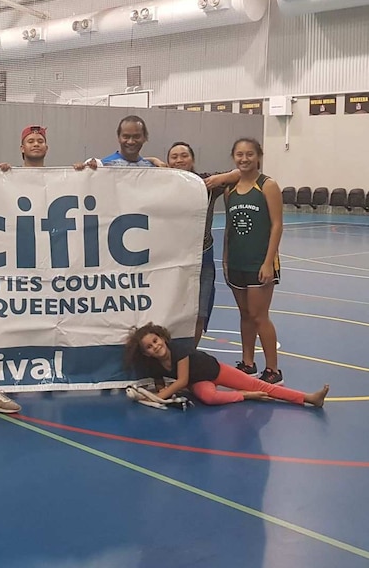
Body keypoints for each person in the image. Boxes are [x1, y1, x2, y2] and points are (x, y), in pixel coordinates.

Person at [124, 322, 328, 407]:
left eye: (155, 341)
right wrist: (157, 395)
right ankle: (245, 395)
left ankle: (309, 398)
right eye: (149, 347)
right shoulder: (153, 365)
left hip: (214, 370)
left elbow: (182, 380)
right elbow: (162, 386)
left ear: (163, 338)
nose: (155, 347)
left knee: (262, 386)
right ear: (145, 354)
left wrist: (158, 397)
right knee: (209, 398)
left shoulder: (179, 350)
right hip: (198, 382)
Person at [163, 142, 240, 346]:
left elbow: (240, 172)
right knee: (170, 311)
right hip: (173, 259)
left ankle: (190, 356)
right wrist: (155, 162)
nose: (179, 160)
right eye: (174, 157)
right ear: (168, 162)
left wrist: (219, 179)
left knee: (200, 311)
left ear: (193, 159)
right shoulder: (161, 184)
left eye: (184, 155)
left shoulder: (205, 184)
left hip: (203, 256)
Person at [223, 138, 285, 384]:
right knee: (245, 314)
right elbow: (229, 228)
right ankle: (247, 363)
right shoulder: (230, 190)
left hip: (260, 263)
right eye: (239, 154)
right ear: (233, 157)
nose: (244, 159)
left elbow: (277, 225)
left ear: (258, 156)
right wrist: (226, 260)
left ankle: (273, 370)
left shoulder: (267, 185)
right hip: (237, 262)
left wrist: (269, 262)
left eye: (249, 154)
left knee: (260, 316)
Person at [73, 115, 155, 170]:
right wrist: (82, 171)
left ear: (145, 138)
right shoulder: (103, 165)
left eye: (136, 136)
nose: (130, 141)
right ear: (119, 138)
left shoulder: (151, 169)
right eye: (126, 136)